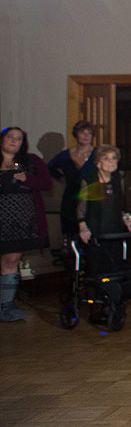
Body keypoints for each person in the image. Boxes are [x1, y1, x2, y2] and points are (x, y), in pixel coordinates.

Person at [0, 126, 52, 322]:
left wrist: (27, 179)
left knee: (11, 260)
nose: (14, 141)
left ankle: (6, 306)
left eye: (18, 138)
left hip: (21, 221)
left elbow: (47, 184)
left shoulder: (32, 161)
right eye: (10, 137)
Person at [47, 120, 97, 243]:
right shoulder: (65, 155)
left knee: (92, 232)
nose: (86, 135)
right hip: (71, 197)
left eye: (89, 133)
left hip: (92, 197)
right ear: (76, 134)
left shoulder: (98, 154)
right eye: (82, 132)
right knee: (71, 233)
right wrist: (61, 178)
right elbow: (48, 168)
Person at [76, 145, 131, 243]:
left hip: (116, 229)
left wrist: (127, 220)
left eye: (114, 158)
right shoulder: (89, 181)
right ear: (98, 163)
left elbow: (121, 204)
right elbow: (81, 208)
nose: (111, 162)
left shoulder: (118, 178)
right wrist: (83, 227)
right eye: (106, 159)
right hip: (95, 229)